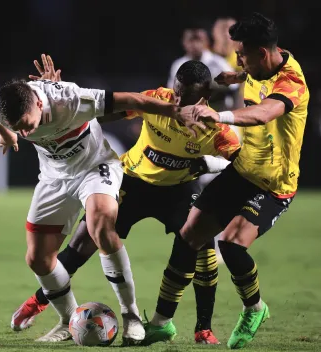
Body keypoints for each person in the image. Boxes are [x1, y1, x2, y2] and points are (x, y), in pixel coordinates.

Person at [9, 59, 241, 345]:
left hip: (179, 189)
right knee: (84, 241)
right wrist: (64, 100)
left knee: (202, 245)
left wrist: (210, 163)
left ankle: (202, 328)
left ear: (204, 97)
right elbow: (109, 111)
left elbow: (241, 161)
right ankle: (39, 301)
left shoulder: (215, 126)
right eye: (176, 92)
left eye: (187, 98)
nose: (178, 101)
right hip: (134, 180)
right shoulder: (157, 100)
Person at [143, 12, 309, 349]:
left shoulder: (291, 83)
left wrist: (218, 114)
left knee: (232, 244)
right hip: (242, 170)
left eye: (243, 55)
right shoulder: (262, 62)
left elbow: (264, 112)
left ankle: (255, 308)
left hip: (274, 184)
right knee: (189, 233)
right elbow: (247, 74)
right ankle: (162, 322)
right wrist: (233, 77)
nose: (238, 59)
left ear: (262, 53)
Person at [167, 26, 240, 112]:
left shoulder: (218, 62)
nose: (195, 45)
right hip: (190, 112)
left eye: (198, 40)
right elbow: (171, 91)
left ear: (206, 42)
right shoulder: (178, 65)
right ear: (184, 43)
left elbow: (235, 86)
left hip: (219, 110)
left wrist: (213, 82)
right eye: (191, 40)